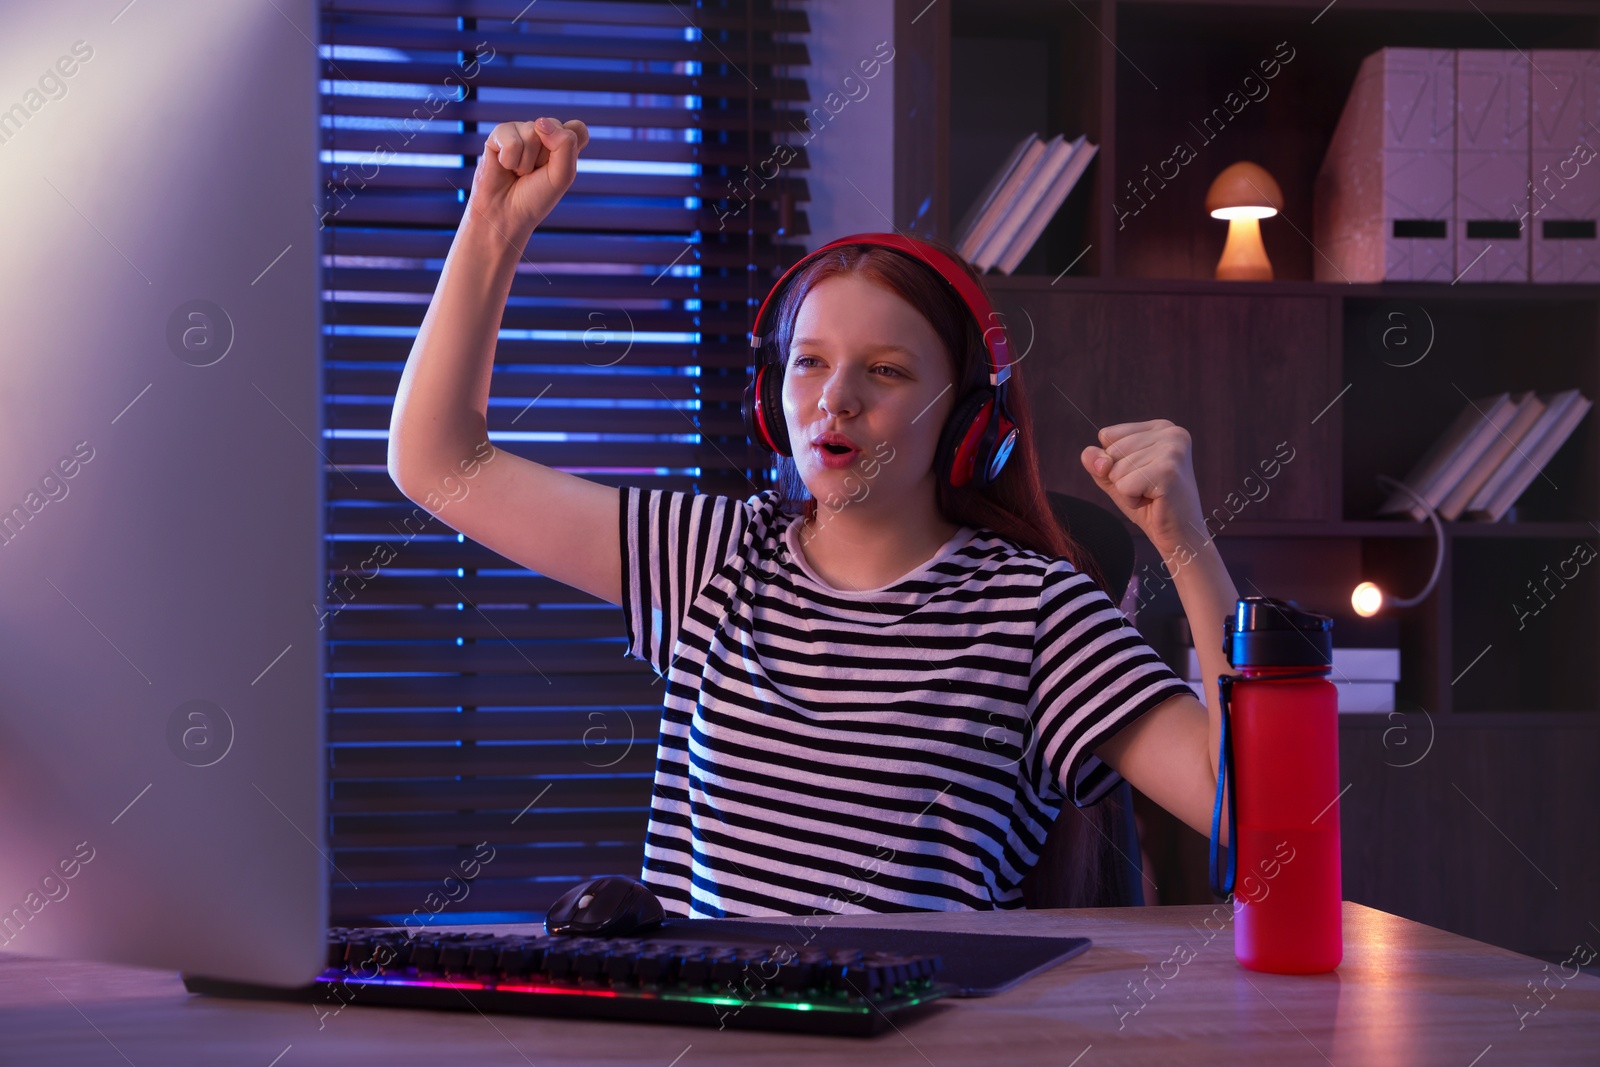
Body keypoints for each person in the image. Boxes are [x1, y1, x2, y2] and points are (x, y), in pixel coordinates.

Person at [388, 116, 1244, 919]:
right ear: (770, 395)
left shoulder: (1036, 615)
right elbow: (439, 463)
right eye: (809, 363)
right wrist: (493, 230)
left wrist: (1186, 543)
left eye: (886, 370)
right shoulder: (711, 556)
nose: (835, 399)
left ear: (966, 419)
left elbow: (1256, 818)